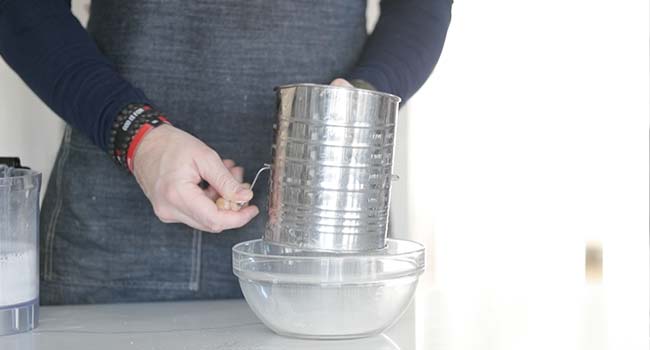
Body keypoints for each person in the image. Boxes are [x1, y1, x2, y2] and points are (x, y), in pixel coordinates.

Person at [0, 0, 452, 304]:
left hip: (327, 236)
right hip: (114, 239)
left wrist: (353, 106)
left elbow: (420, 9)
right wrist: (138, 138)